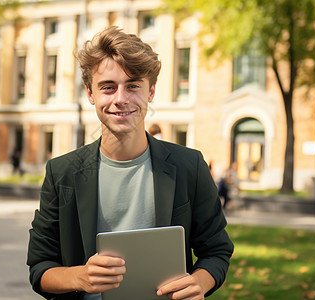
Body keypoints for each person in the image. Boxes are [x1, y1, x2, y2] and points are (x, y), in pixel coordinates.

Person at [27, 26, 233, 300]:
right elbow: (40, 268)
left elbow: (217, 250)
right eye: (108, 87)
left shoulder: (189, 166)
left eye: (133, 85)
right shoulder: (61, 172)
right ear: (91, 94)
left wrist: (199, 283)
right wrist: (80, 276)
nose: (121, 99)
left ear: (151, 92)